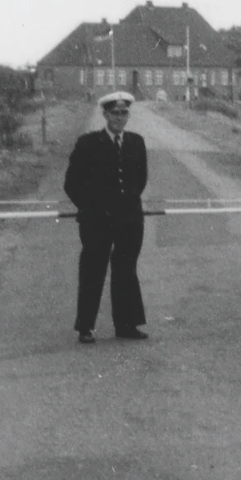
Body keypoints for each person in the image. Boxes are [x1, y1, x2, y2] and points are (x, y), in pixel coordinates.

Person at [63, 89, 149, 343]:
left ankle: (126, 325)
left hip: (129, 220)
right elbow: (72, 183)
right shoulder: (88, 143)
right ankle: (86, 327)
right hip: (97, 221)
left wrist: (127, 204)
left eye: (124, 113)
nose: (119, 118)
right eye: (115, 113)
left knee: (126, 270)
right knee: (93, 270)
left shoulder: (136, 142)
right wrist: (90, 208)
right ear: (105, 114)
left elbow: (140, 179)